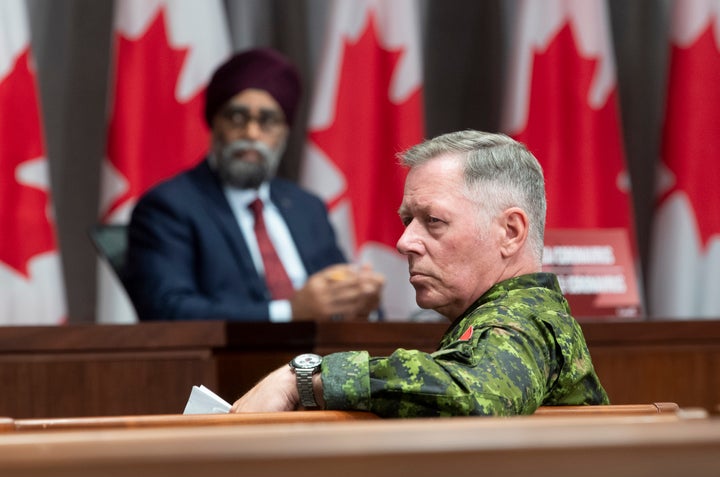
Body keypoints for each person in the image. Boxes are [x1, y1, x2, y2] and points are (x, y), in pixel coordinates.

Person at [231, 130, 609, 417]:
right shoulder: (504, 315)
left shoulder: (521, 321)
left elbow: (477, 395)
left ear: (510, 232)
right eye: (408, 220)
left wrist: (304, 379)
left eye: (433, 221)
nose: (404, 242)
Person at [124, 47, 384, 322]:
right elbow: (167, 310)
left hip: (321, 360)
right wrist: (290, 313)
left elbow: (336, 294)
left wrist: (360, 301)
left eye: (268, 121)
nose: (251, 133)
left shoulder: (307, 208)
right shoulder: (169, 207)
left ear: (284, 131)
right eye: (237, 117)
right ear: (214, 123)